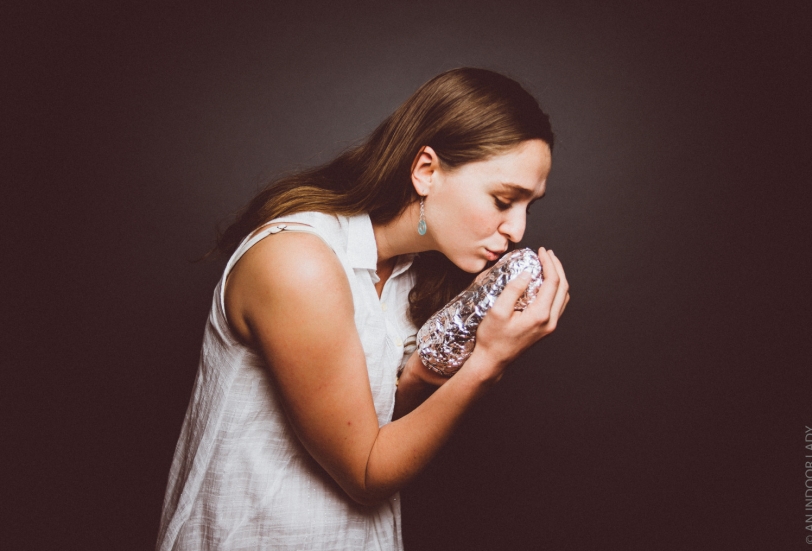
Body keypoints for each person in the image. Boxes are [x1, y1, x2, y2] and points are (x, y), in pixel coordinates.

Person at [156, 67, 570, 551]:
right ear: (426, 171)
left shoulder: (410, 273)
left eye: (528, 207)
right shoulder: (298, 262)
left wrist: (423, 372)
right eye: (503, 200)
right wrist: (487, 362)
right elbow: (366, 473)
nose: (517, 230)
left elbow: (365, 416)